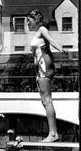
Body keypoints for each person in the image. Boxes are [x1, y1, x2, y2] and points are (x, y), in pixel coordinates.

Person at [27, 9, 67, 142]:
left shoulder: (42, 29)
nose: (27, 22)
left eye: (29, 20)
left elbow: (52, 40)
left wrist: (61, 49)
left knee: (47, 100)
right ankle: (53, 132)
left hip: (44, 65)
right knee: (45, 100)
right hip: (40, 67)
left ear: (35, 19)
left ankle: (53, 133)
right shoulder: (37, 33)